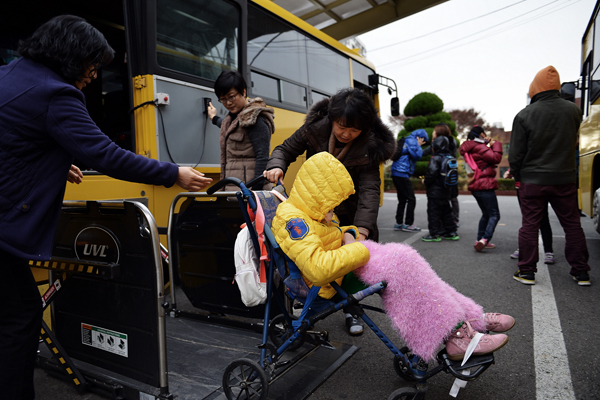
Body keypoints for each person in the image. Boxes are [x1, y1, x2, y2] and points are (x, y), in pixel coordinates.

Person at [0, 15, 213, 400]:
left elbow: (13, 136)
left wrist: (49, 158)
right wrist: (172, 173)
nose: (93, 76)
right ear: (72, 57)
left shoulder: (10, 74)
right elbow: (107, 155)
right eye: (92, 66)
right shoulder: (55, 93)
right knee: (18, 318)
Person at [272, 152, 513, 362]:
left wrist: (349, 235)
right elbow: (317, 268)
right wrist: (359, 248)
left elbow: (329, 237)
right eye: (331, 204)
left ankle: (471, 319)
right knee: (406, 265)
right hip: (326, 285)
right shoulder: (293, 221)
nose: (334, 209)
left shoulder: (308, 210)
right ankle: (458, 335)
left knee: (411, 265)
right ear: (318, 195)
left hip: (342, 269)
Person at [263, 88, 396, 335]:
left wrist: (362, 231)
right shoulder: (315, 128)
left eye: (354, 130)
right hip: (315, 209)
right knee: (309, 258)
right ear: (332, 119)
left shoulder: (370, 146)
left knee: (350, 263)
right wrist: (276, 166)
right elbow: (285, 149)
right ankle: (309, 301)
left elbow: (369, 191)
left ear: (364, 128)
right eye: (342, 126)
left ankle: (350, 309)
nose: (346, 134)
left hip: (349, 211)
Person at [509, 65, 590, 286]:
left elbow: (516, 153)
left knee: (530, 225)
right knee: (572, 224)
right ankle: (581, 272)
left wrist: (516, 172)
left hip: (532, 180)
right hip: (564, 178)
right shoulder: (573, 110)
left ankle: (526, 271)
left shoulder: (524, 115)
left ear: (534, 88)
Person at [207, 70, 274, 191]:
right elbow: (228, 127)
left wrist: (255, 193)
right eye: (223, 99)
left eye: (232, 96)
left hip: (250, 193)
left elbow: (263, 157)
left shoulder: (255, 118)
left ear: (243, 91)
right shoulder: (231, 119)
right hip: (236, 191)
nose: (228, 103)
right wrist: (213, 118)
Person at [460, 126, 503, 252]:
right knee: (494, 214)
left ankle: (479, 239)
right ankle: (484, 239)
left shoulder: (470, 146)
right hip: (485, 185)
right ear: (482, 134)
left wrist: (488, 145)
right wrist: (496, 144)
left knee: (486, 214)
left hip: (476, 185)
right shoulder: (479, 147)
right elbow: (496, 158)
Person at [503, 170, 554, 264]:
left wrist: (511, 170)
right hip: (523, 185)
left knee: (542, 218)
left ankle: (548, 251)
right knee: (528, 218)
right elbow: (517, 158)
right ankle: (525, 249)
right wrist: (511, 170)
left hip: (539, 183)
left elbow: (517, 157)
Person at [422, 136, 459, 241]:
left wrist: (425, 181)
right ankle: (451, 232)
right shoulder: (450, 157)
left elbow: (431, 173)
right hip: (446, 190)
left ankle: (434, 234)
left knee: (433, 213)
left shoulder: (435, 158)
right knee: (447, 212)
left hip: (435, 191)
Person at [390, 129, 428, 232]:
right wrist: (418, 145)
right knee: (411, 199)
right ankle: (408, 224)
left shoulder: (407, 140)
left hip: (395, 172)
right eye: (423, 140)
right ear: (419, 137)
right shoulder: (413, 141)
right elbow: (418, 155)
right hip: (402, 173)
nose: (423, 143)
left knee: (402, 199)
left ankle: (398, 223)